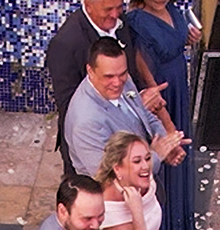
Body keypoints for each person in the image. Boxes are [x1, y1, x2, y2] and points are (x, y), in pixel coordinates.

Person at [45, 0, 165, 173]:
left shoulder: (120, 23)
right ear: (88, 5)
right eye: (108, 9)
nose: (116, 15)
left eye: (119, 7)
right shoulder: (66, 44)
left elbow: (128, 76)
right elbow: (69, 107)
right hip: (94, 146)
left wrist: (139, 99)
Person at [128, 0, 200, 230]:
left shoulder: (173, 10)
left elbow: (174, 43)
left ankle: (180, 219)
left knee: (182, 144)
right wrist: (163, 116)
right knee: (168, 149)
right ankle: (165, 225)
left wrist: (189, 39)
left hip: (179, 83)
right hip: (163, 92)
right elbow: (144, 72)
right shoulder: (137, 22)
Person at [64, 36, 183, 179]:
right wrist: (155, 156)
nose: (117, 83)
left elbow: (143, 114)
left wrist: (167, 142)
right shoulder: (86, 122)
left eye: (122, 74)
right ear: (90, 70)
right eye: (109, 76)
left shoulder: (122, 79)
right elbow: (109, 176)